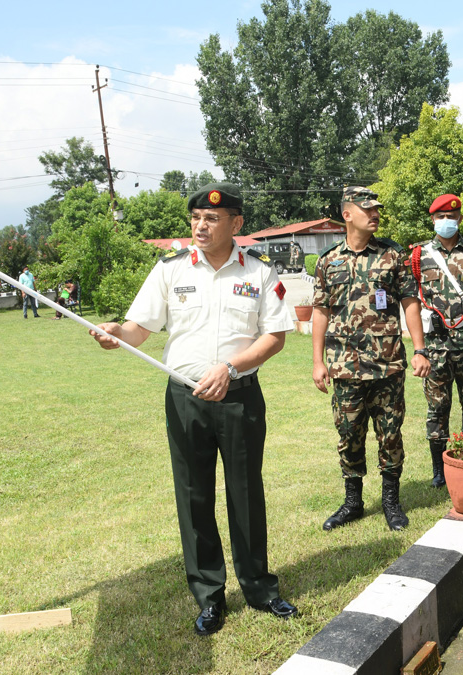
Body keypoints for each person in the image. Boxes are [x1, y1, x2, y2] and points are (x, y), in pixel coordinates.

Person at [90, 182, 297, 636]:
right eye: (196, 219)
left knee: (245, 492)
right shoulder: (170, 270)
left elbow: (275, 337)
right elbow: (139, 328)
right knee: (194, 495)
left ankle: (260, 588)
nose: (201, 227)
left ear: (236, 224)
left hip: (239, 396)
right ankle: (209, 595)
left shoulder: (260, 273)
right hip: (185, 398)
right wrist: (115, 334)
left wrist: (229, 367)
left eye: (212, 219)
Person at [312, 186, 431, 532]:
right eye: (368, 210)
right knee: (349, 435)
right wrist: (318, 362)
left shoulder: (393, 256)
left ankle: (391, 502)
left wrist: (420, 349)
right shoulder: (328, 260)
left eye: (377, 209)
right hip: (344, 367)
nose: (375, 214)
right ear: (347, 214)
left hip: (387, 364)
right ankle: (353, 503)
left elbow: (410, 302)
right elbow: (320, 311)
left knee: (390, 435)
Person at [408, 194, 463, 488]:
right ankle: (439, 469)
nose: (446, 222)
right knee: (437, 408)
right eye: (440, 217)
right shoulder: (418, 256)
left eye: (452, 217)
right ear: (432, 219)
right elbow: (411, 298)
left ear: (459, 218)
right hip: (435, 348)